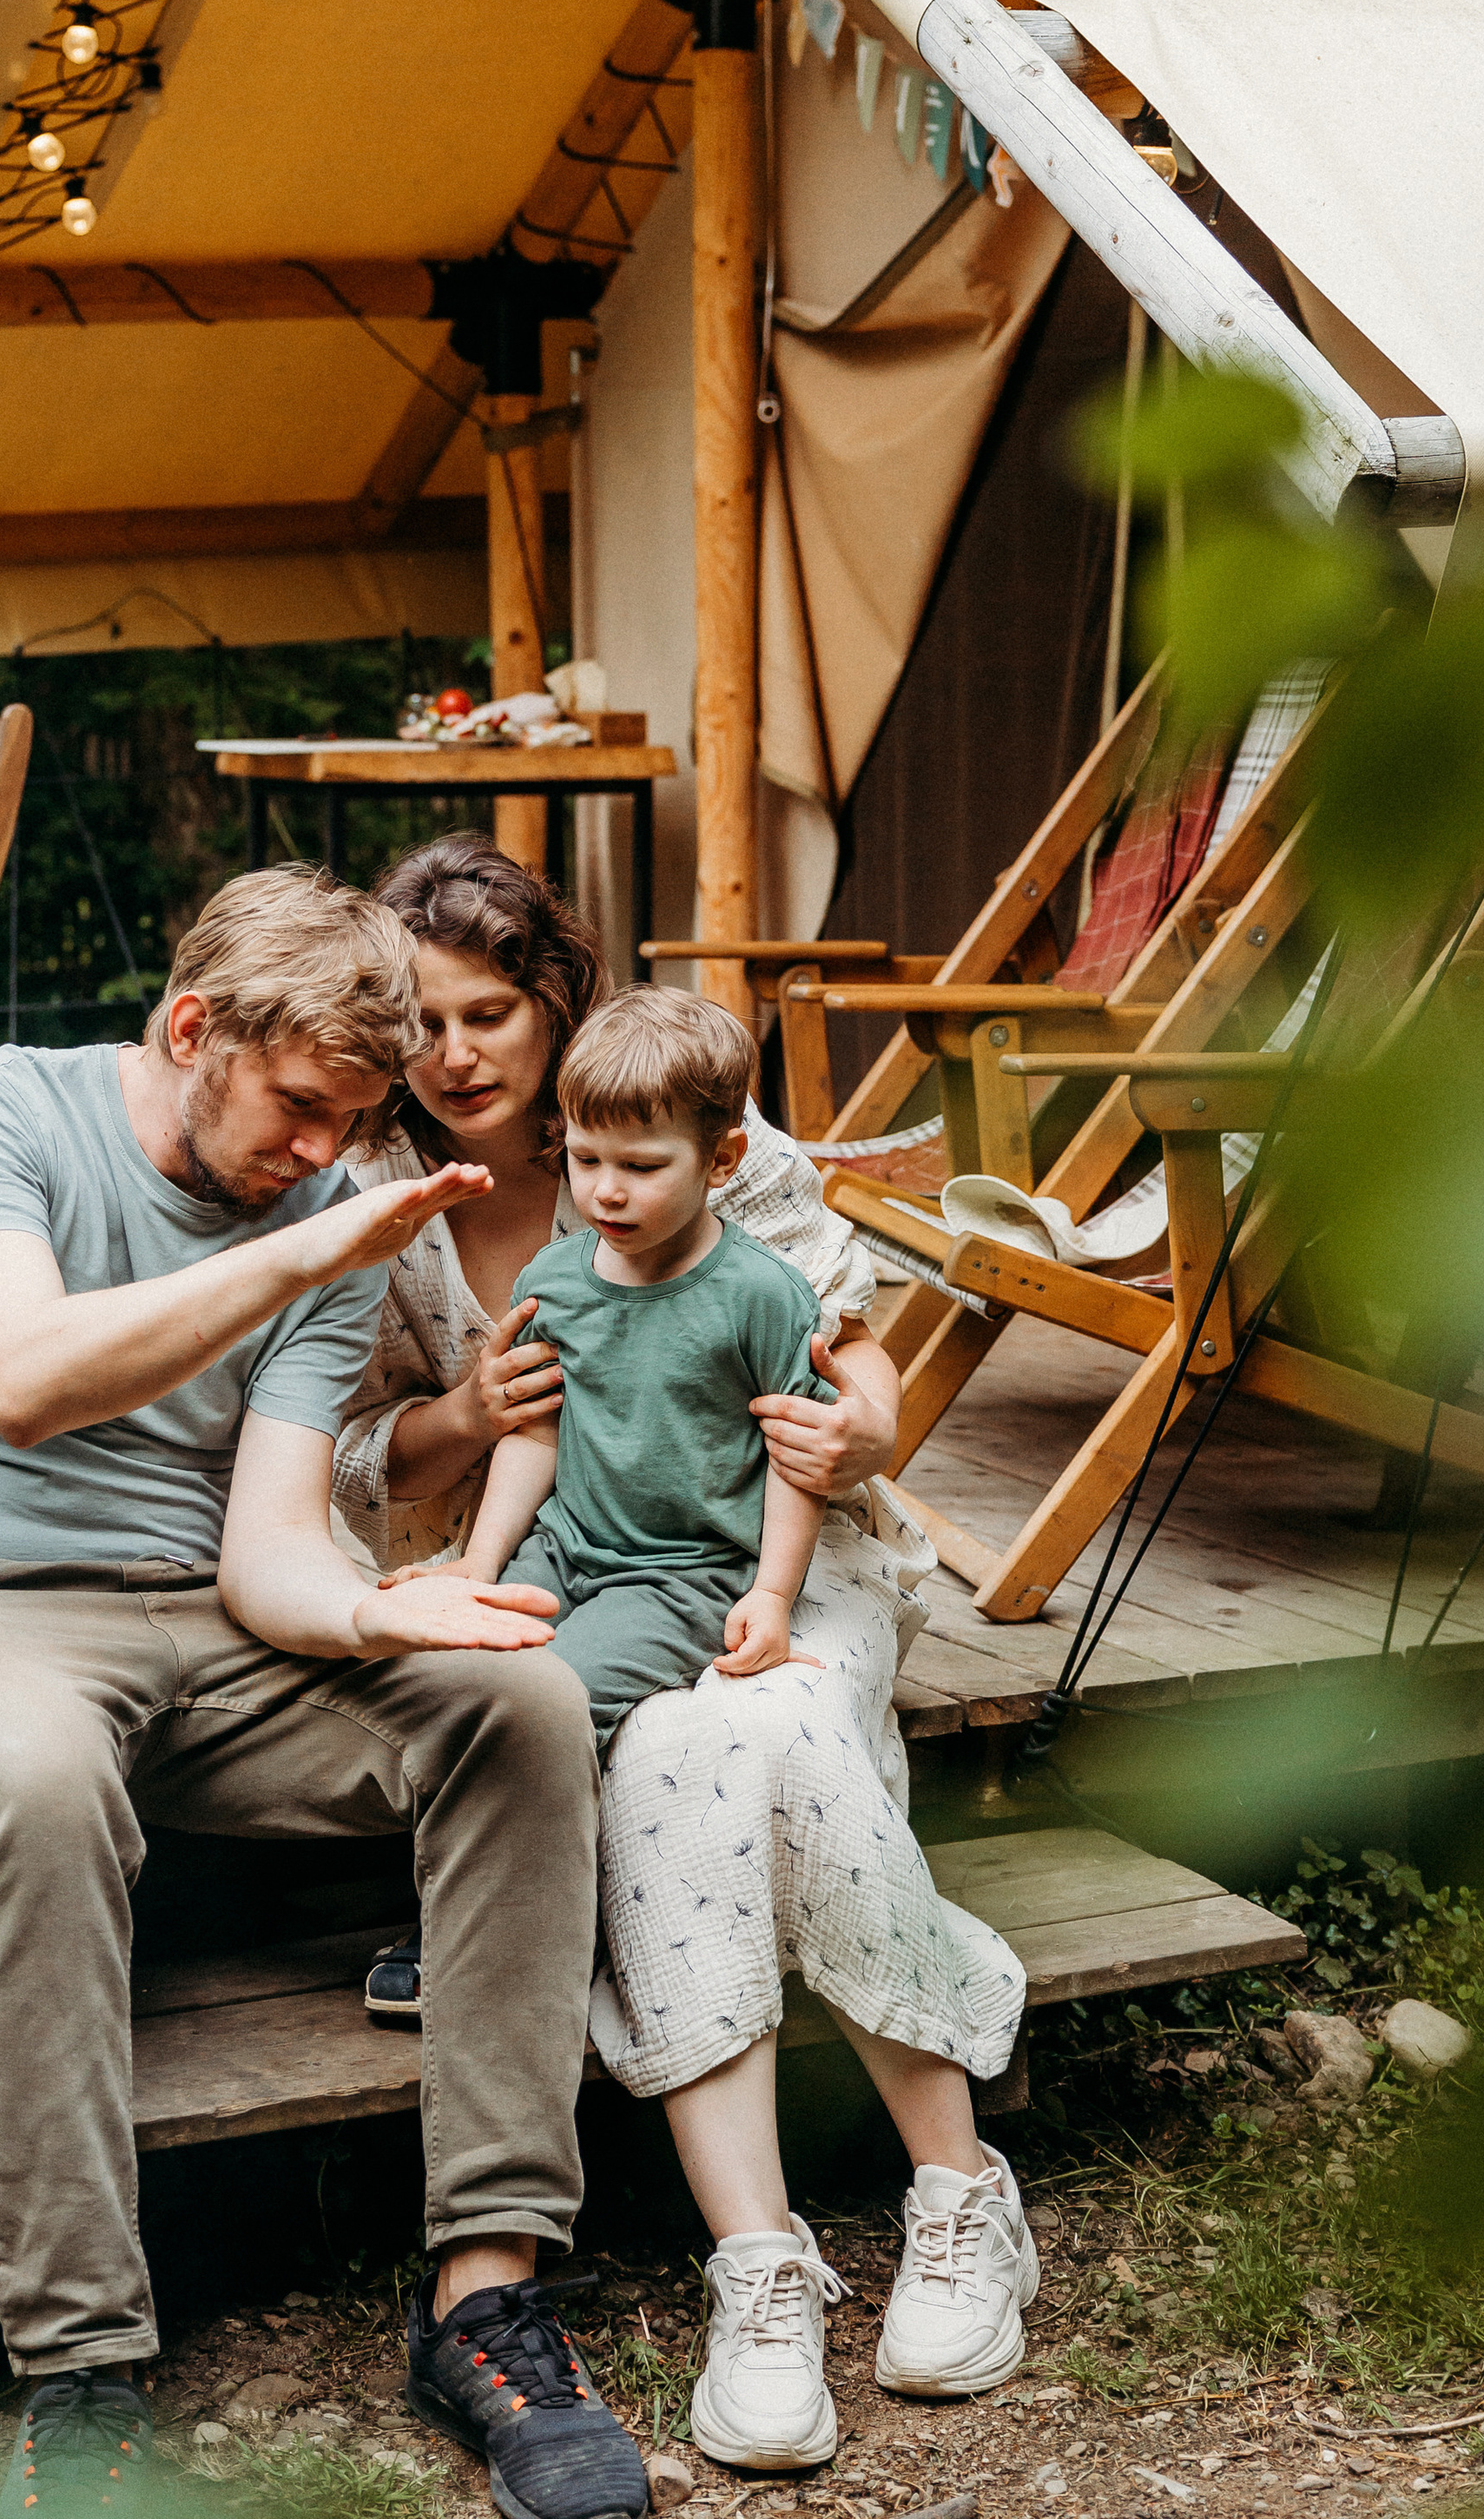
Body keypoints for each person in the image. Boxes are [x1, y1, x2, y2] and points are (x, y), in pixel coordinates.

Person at [0, 867, 652, 2519]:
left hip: (208, 1631)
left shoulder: (321, 1206)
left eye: (353, 1122)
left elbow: (268, 1550)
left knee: (526, 1709)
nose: (321, 1153)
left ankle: (486, 2295)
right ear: (194, 1028)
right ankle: (83, 2367)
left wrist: (385, 1611)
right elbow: (31, 1378)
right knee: (34, 1776)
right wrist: (306, 1251)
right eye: (297, 1109)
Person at [330, 840, 1039, 2474]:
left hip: (784, 1562)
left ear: (554, 1000)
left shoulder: (703, 1123)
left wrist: (845, 1438)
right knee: (673, 1746)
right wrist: (462, 1421)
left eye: (490, 1013)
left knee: (747, 1733)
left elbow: (855, 1384)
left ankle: (940, 2202)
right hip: (571, 1563)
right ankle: (771, 2260)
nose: (454, 1055)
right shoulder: (369, 1192)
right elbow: (350, 1459)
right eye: (421, 1021)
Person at [425, 986, 837, 1746]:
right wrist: (480, 1563)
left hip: (685, 1578)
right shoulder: (551, 1281)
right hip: (560, 1549)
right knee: (450, 1674)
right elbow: (534, 1431)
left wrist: (773, 1594)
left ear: (722, 1160)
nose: (606, 1191)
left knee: (551, 1704)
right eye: (585, 1159)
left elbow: (798, 1459)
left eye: (643, 1166)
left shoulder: (761, 1295)